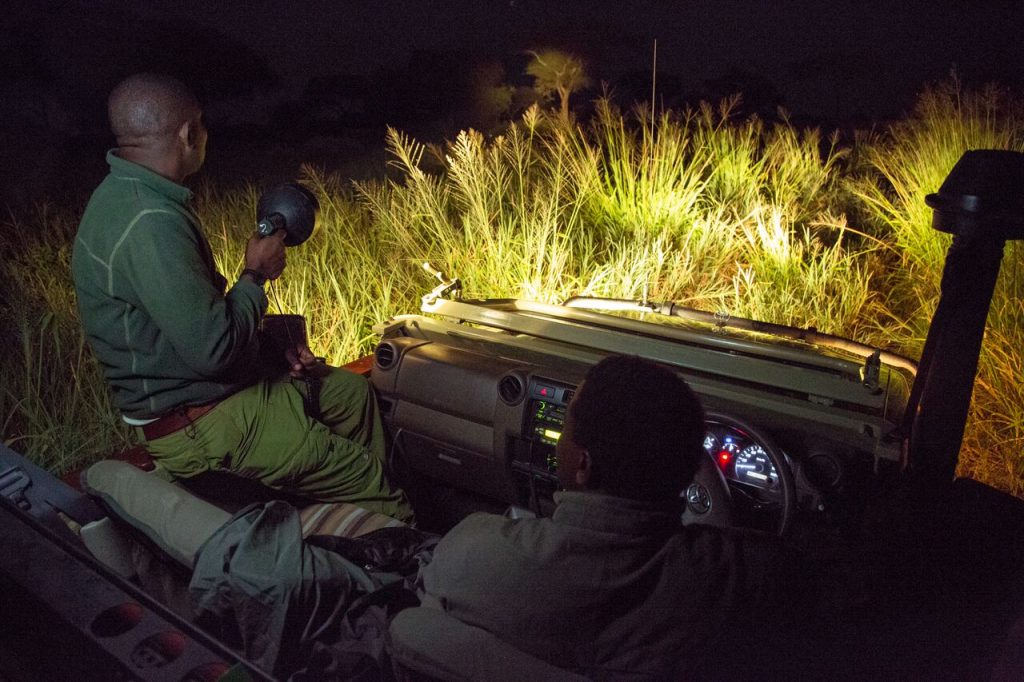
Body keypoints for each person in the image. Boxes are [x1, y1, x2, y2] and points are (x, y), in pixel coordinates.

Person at [72, 72, 411, 522]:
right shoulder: (149, 221)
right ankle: (399, 552)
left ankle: (343, 531)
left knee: (351, 395)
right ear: (188, 133)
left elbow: (185, 325)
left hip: (218, 397)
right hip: (207, 424)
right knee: (372, 481)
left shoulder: (129, 196)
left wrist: (268, 338)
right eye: (202, 127)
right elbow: (214, 350)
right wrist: (255, 275)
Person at [419, 355, 786, 678]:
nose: (559, 437)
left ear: (582, 465)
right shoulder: (745, 578)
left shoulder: (469, 552)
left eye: (565, 427)